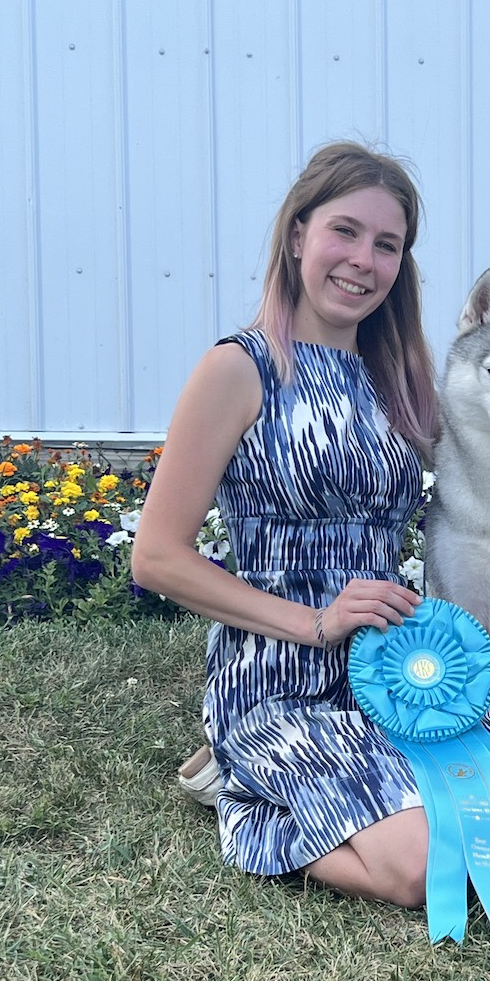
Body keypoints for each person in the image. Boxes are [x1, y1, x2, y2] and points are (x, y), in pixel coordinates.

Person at [132, 141, 443, 908]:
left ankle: (304, 786)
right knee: (419, 868)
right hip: (278, 677)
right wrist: (315, 623)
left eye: (387, 244)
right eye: (345, 231)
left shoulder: (397, 379)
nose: (363, 260)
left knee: (486, 822)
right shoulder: (239, 369)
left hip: (390, 669)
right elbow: (156, 557)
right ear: (298, 234)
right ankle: (239, 788)